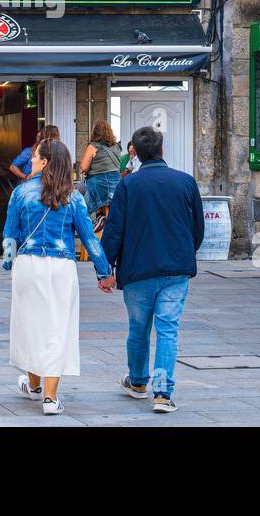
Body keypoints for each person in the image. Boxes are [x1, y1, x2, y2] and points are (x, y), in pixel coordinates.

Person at [3, 138, 112, 416]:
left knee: (30, 325)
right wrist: (103, 272)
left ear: (46, 161)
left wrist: (9, 264)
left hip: (28, 264)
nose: (32, 160)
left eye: (36, 156)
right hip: (61, 266)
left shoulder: (21, 192)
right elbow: (89, 239)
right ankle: (50, 398)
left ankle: (34, 384)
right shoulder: (73, 196)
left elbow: (9, 236)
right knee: (56, 328)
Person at [102, 125, 204, 414]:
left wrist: (106, 268)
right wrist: (184, 253)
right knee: (168, 330)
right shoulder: (185, 182)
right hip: (175, 269)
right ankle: (163, 392)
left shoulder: (128, 185)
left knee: (138, 329)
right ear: (162, 150)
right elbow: (198, 228)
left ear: (135, 153)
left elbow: (114, 231)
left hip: (137, 270)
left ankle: (137, 382)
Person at [79, 120, 122, 221]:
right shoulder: (116, 147)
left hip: (98, 184)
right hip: (115, 184)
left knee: (82, 210)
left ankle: (89, 228)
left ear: (94, 132)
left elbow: (83, 167)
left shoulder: (92, 147)